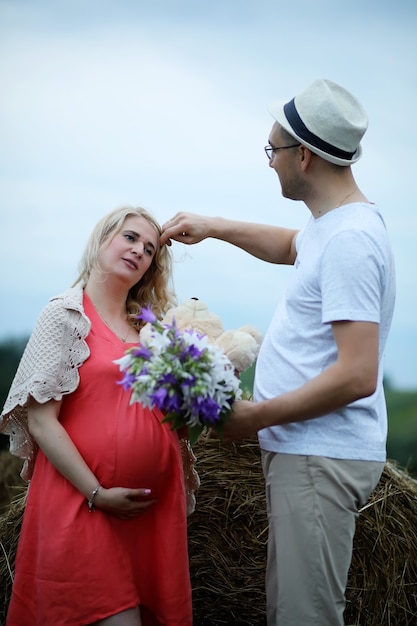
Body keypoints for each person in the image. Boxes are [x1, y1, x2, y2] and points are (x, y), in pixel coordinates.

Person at [160, 79, 396, 626]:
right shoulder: (331, 228)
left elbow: (358, 374)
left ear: (305, 157)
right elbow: (292, 246)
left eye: (273, 150)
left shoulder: (349, 242)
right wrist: (215, 227)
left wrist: (255, 418)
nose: (269, 163)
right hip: (309, 453)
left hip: (318, 456)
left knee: (302, 615)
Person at [0, 206, 194, 626]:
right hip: (84, 502)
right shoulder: (65, 315)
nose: (139, 251)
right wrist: (97, 493)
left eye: (149, 249)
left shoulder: (153, 330)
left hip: (150, 516)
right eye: (130, 238)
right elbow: (41, 421)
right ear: (102, 239)